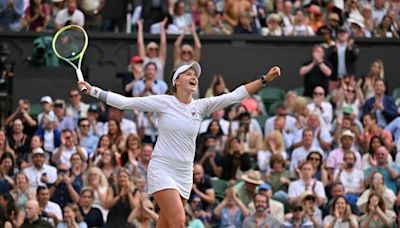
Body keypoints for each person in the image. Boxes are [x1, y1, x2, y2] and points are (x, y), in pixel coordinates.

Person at [79, 61, 281, 227]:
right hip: (162, 168)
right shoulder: (164, 102)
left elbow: (235, 96)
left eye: (196, 75)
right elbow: (125, 103)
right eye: (188, 74)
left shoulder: (202, 106)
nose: (194, 77)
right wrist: (93, 91)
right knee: (179, 221)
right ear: (177, 81)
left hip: (185, 173)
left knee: (166, 224)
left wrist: (265, 79)